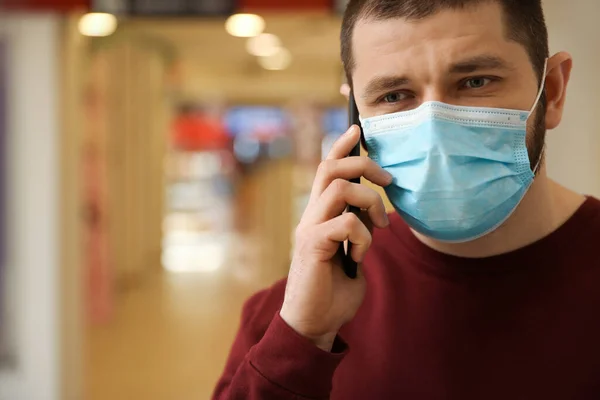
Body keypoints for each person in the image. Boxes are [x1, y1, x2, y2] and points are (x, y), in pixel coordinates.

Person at [213, 0, 600, 398]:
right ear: (356, 118)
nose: (435, 126)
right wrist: (302, 338)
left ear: (552, 91)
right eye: (394, 95)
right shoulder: (293, 311)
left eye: (476, 82)